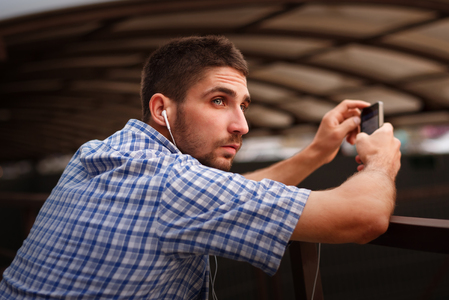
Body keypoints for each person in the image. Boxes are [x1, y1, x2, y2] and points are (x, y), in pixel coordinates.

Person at [0, 35, 401, 299]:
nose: (241, 125)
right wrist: (381, 156)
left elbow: (226, 196)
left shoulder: (97, 155)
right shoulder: (171, 184)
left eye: (242, 105)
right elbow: (364, 216)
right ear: (162, 109)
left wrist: (317, 151)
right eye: (218, 100)